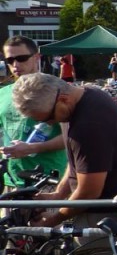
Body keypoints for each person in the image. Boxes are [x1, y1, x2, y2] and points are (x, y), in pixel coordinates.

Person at [12, 73, 117, 255]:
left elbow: (89, 191)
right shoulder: (82, 98)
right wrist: (58, 195)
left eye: (47, 118)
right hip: (94, 206)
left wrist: (54, 219)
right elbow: (77, 164)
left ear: (62, 98)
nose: (48, 124)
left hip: (103, 212)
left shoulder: (88, 124)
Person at [0, 36, 68, 191]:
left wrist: (33, 148)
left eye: (22, 58)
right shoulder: (3, 93)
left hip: (48, 180)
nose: (15, 65)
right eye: (10, 60)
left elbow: (72, 136)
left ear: (37, 57)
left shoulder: (56, 89)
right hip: (11, 179)